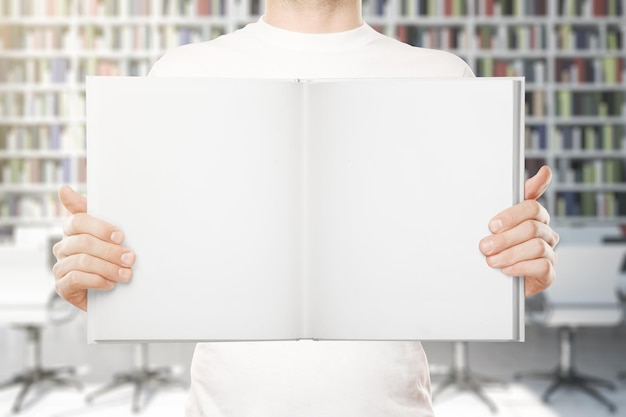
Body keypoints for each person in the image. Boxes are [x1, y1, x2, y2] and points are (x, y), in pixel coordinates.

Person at [52, 1, 560, 416]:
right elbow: (157, 263)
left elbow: (468, 265)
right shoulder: (182, 74)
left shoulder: (442, 78)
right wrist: (101, 283)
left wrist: (515, 270)